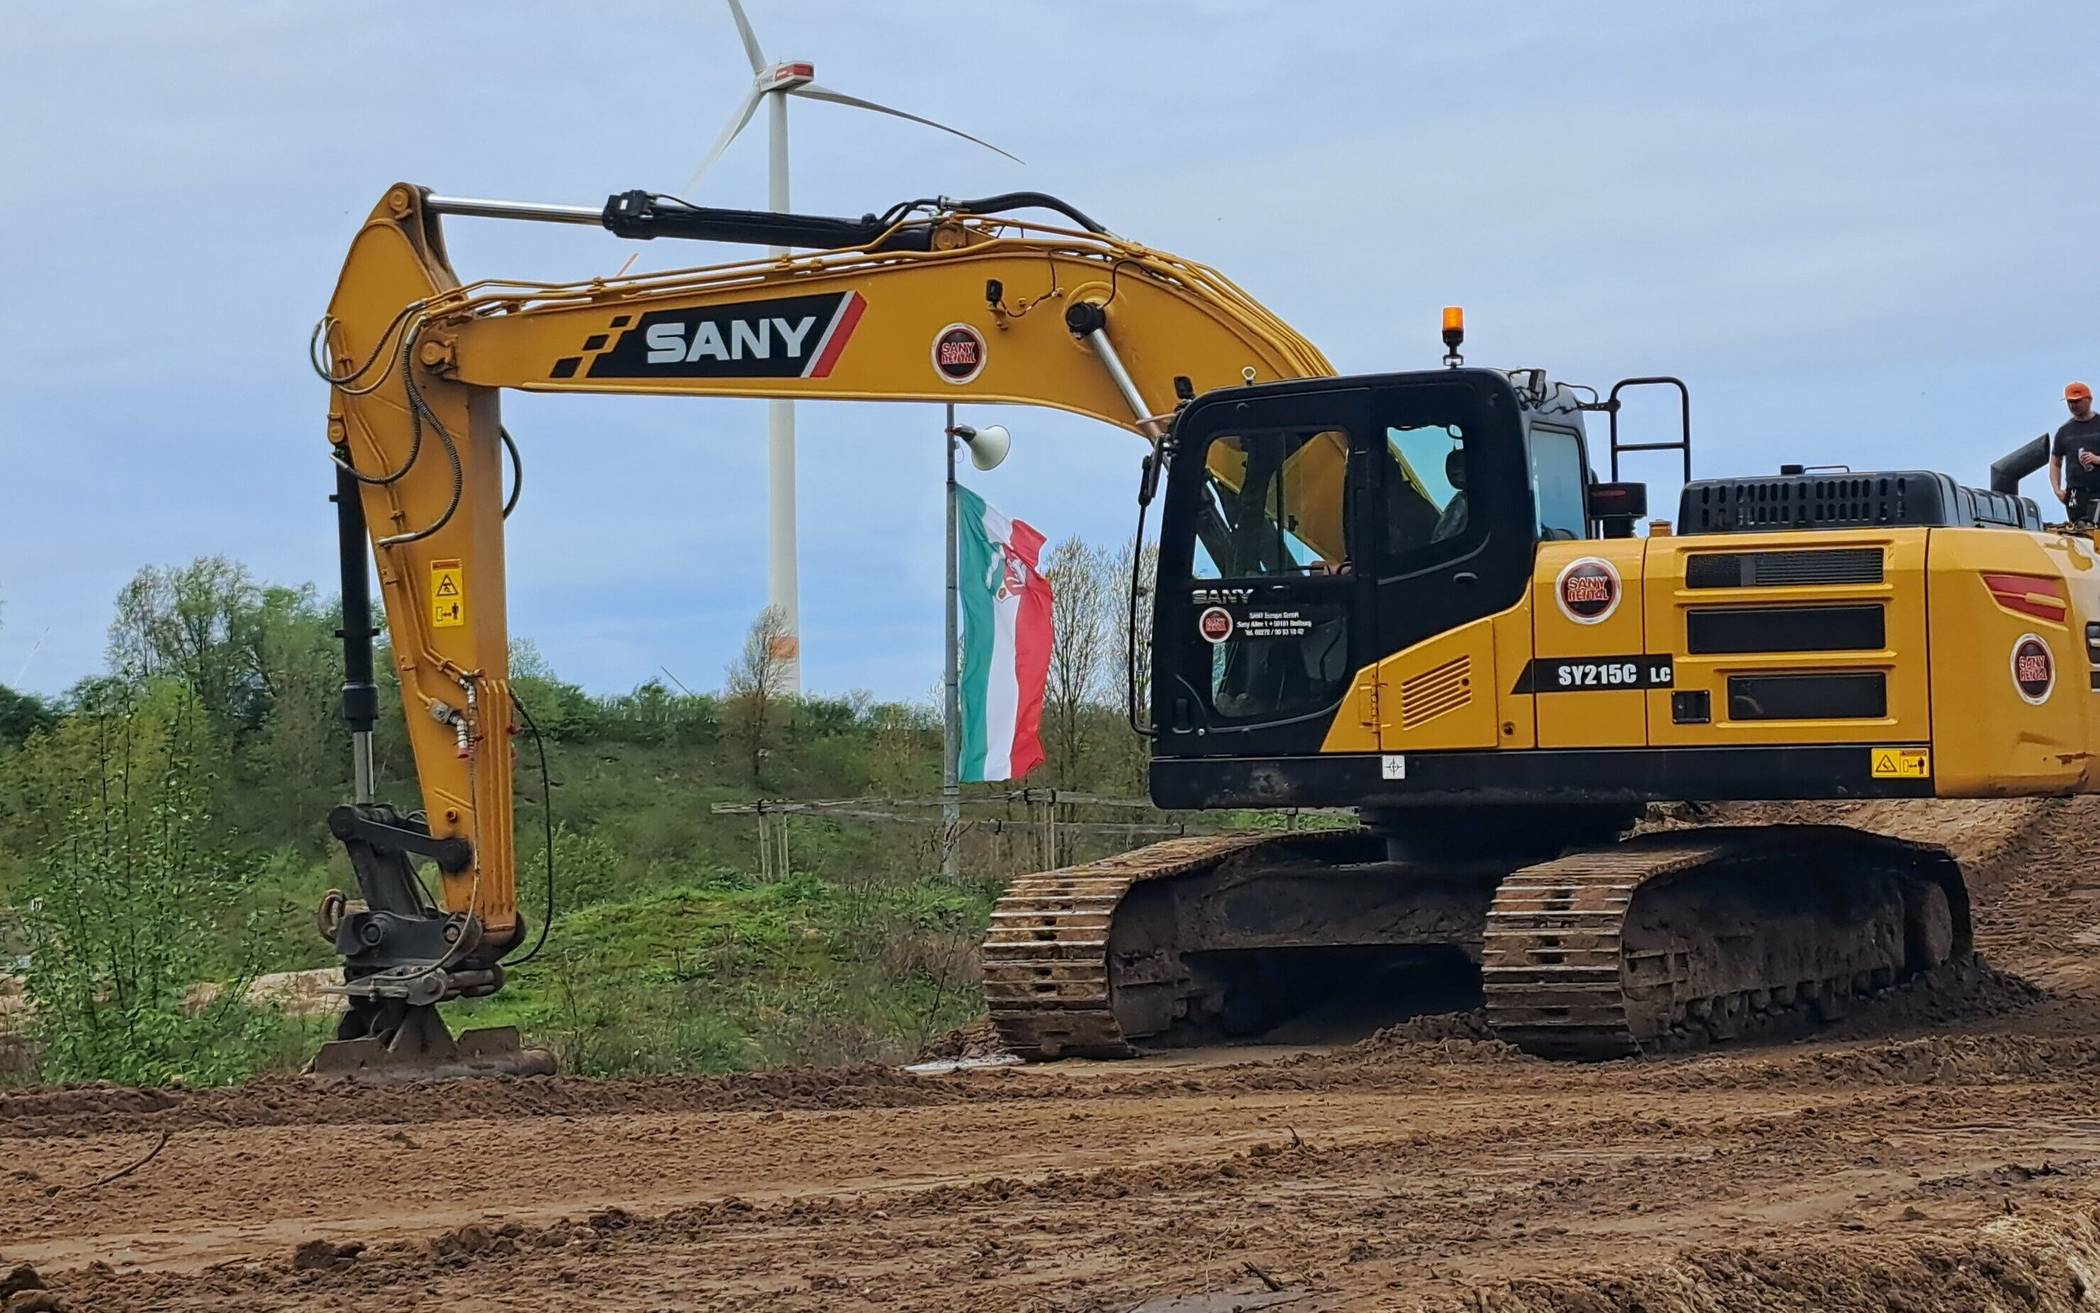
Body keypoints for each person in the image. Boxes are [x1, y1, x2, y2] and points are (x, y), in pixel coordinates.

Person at [2050, 382, 2100, 523]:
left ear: (2089, 400)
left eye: (2077, 401)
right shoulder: (2064, 431)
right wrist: (2057, 489)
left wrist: (2097, 459)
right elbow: (2055, 462)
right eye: (2070, 402)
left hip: (2098, 489)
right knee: (2079, 531)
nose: (2073, 405)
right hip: (2075, 493)